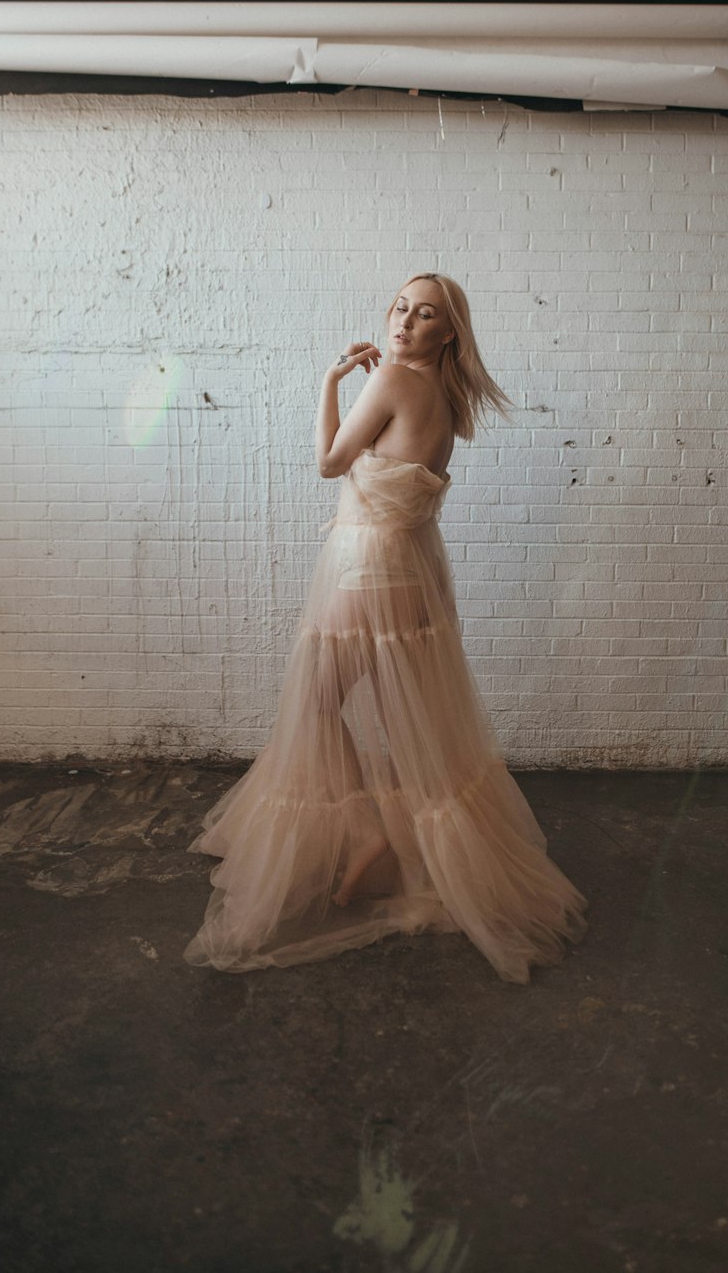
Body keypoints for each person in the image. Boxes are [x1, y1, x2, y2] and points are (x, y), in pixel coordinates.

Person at [183, 274, 588, 983]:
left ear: (448, 332)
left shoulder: (394, 379)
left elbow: (329, 462)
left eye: (425, 314)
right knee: (412, 724)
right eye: (400, 307)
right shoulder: (449, 396)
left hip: (366, 565)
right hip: (411, 573)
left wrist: (330, 381)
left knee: (314, 703)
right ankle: (430, 851)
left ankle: (370, 835)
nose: (404, 323)